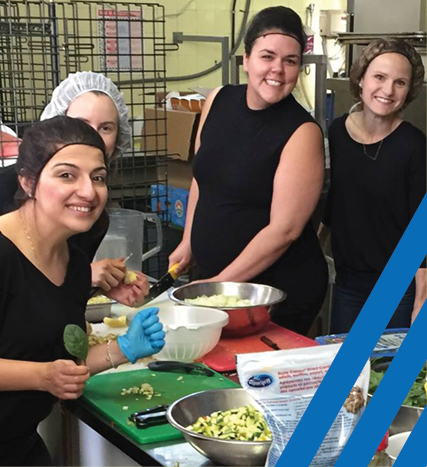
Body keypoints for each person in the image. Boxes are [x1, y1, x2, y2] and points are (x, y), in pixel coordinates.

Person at [0, 116, 165, 466]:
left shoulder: (73, 263)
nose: (88, 192)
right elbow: (48, 372)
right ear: (28, 182)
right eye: (66, 175)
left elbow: (65, 365)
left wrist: (121, 349)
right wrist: (41, 376)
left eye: (98, 177)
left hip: (17, 444)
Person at [169, 6, 328, 336]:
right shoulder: (218, 100)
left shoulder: (302, 132)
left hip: (272, 294)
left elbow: (284, 230)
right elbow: (204, 178)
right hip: (219, 285)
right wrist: (188, 240)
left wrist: (218, 286)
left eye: (291, 61)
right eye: (267, 56)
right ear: (246, 59)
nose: (278, 70)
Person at [0, 72, 147, 307]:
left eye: (106, 128)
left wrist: (93, 286)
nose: (92, 137)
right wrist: (86, 276)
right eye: (66, 175)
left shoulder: (93, 219)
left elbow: (56, 309)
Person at [320, 38, 426, 333]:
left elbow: (422, 230)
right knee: (349, 375)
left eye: (400, 82)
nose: (388, 90)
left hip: (398, 289)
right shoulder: (336, 133)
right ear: (361, 78)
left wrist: (421, 302)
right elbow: (332, 206)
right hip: (348, 285)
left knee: (394, 377)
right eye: (380, 77)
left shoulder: (414, 146)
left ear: (409, 90)